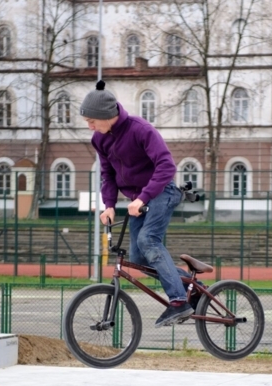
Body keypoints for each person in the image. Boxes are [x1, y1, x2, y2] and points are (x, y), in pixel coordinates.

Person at [81, 80, 193, 327]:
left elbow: (167, 166)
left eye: (91, 120)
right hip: (139, 201)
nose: (88, 125)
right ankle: (193, 287)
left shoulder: (140, 130)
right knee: (138, 259)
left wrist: (143, 197)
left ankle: (178, 301)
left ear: (107, 115)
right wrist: (108, 204)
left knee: (148, 240)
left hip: (162, 191)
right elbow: (107, 174)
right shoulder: (99, 140)